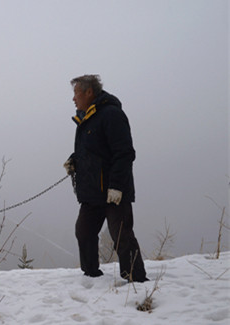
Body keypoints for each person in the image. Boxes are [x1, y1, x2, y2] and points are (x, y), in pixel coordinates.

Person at [64, 75, 148, 282]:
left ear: (89, 92)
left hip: (113, 191)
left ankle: (136, 279)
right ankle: (91, 275)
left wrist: (117, 187)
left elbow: (124, 152)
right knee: (83, 231)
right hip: (92, 191)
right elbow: (94, 151)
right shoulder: (86, 118)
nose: (73, 99)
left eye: (76, 93)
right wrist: (74, 160)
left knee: (121, 235)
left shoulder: (111, 115)